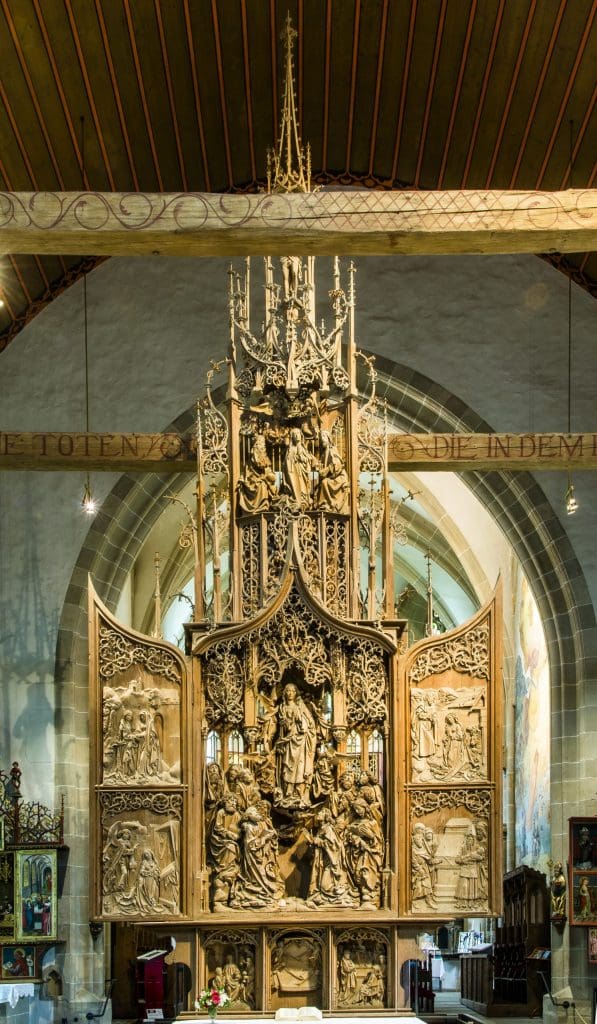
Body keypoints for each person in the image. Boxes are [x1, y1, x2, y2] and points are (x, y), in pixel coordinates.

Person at [270, 683, 316, 806]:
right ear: (285, 693)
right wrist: (284, 724)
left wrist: (302, 723)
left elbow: (310, 723)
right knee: (287, 766)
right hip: (288, 741)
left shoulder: (301, 707)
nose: (290, 693)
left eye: (292, 691)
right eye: (288, 691)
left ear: (296, 693)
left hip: (300, 741)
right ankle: (288, 791)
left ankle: (299, 793)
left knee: (300, 767)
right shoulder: (282, 708)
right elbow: (282, 727)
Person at [306, 808, 354, 908]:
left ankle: (337, 899)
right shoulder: (322, 828)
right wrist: (313, 843)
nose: (318, 813)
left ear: (326, 816)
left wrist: (318, 842)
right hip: (324, 861)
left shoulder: (328, 829)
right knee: (320, 884)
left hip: (331, 863)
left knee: (325, 886)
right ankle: (328, 898)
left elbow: (334, 845)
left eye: (321, 812)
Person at [209, 795, 241, 910]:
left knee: (233, 866)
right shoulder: (221, 812)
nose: (233, 804)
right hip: (219, 840)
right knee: (230, 847)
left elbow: (239, 830)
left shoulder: (237, 815)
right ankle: (219, 900)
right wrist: (228, 834)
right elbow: (217, 828)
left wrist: (237, 834)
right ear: (225, 802)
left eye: (234, 802)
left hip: (232, 841)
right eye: (230, 801)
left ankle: (231, 897)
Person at [237, 434, 278, 514]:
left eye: (264, 443)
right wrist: (264, 476)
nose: (263, 446)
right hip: (252, 483)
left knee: (266, 485)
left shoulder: (264, 457)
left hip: (261, 481)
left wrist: (270, 476)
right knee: (262, 485)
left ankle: (264, 507)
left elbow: (268, 471)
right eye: (261, 443)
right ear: (257, 444)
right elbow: (257, 468)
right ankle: (259, 508)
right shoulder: (254, 456)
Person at [316, 430, 349, 514]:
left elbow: (337, 465)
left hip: (340, 478)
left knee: (324, 482)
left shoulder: (332, 450)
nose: (322, 439)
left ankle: (331, 503)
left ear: (329, 438)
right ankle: (325, 504)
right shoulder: (323, 454)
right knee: (321, 484)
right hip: (332, 478)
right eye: (321, 437)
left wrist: (326, 470)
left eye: (324, 436)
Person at [283, 428, 313, 508]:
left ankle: (303, 499)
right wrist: (295, 459)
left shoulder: (303, 448)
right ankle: (297, 499)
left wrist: (307, 460)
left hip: (303, 473)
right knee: (297, 486)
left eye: (298, 433)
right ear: (292, 437)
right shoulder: (291, 449)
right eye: (294, 434)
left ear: (301, 435)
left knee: (303, 488)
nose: (297, 436)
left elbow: (308, 460)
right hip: (295, 473)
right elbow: (287, 463)